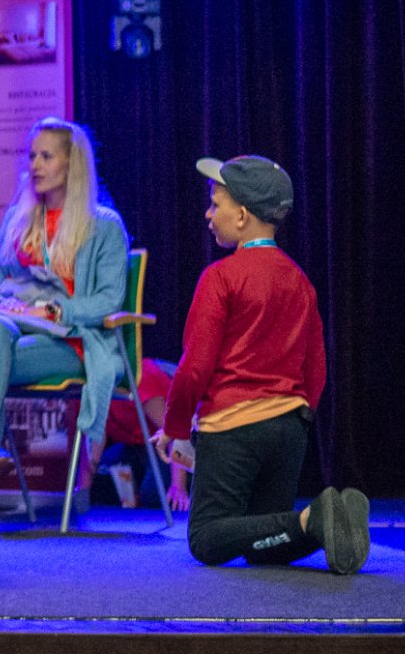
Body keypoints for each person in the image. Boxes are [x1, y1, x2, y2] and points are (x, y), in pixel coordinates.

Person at [151, 156, 369, 573]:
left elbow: (194, 369)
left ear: (242, 216)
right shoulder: (300, 280)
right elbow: (316, 369)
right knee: (263, 543)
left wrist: (176, 429)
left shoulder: (220, 277)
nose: (208, 214)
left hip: (232, 428)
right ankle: (322, 520)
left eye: (215, 204)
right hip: (289, 428)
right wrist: (298, 417)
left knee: (206, 539)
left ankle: (312, 517)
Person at [0, 117, 130, 534]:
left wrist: (54, 311)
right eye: (32, 156)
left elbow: (107, 301)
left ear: (72, 164)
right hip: (12, 332)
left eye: (46, 156)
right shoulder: (18, 218)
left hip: (72, 342)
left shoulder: (104, 225)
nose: (35, 165)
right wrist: (7, 305)